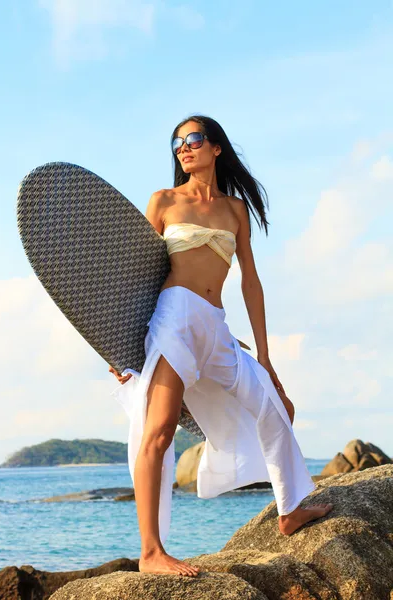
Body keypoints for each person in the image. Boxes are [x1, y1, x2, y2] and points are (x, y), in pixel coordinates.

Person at [109, 115, 333, 577]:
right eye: (177, 144)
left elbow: (250, 282)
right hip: (175, 316)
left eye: (192, 139)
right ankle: (151, 552)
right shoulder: (164, 201)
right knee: (159, 431)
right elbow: (132, 275)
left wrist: (266, 359)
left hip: (216, 325)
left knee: (274, 406)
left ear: (216, 148)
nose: (183, 148)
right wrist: (120, 351)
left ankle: (288, 510)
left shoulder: (234, 211)